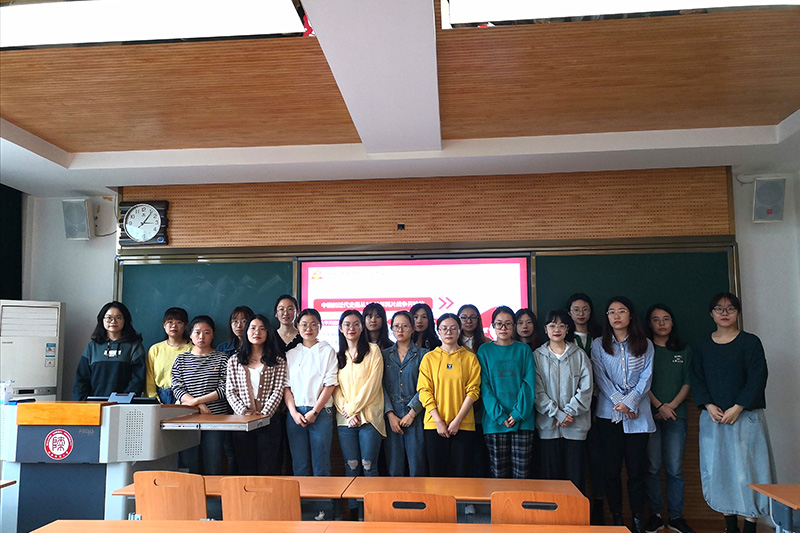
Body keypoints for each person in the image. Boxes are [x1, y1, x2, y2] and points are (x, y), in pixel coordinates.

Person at [691, 293, 775, 533]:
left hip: (745, 416)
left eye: (730, 308)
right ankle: (730, 526)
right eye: (719, 308)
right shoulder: (702, 346)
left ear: (738, 312)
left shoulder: (750, 342)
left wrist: (738, 407)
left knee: (749, 470)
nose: (724, 313)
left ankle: (750, 526)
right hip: (714, 418)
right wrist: (708, 405)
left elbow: (758, 377)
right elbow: (696, 378)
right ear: (711, 313)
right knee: (719, 471)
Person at [591, 297, 655, 533]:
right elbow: (600, 376)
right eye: (611, 312)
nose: (616, 316)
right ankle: (617, 518)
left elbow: (647, 377)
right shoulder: (598, 344)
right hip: (609, 415)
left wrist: (630, 402)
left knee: (637, 471)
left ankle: (637, 518)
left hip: (638, 414)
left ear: (631, 315)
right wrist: (619, 401)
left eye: (621, 311)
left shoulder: (645, 343)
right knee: (611, 471)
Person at [643, 304, 695, 533]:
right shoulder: (644, 349)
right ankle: (655, 515)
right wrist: (659, 405)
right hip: (649, 415)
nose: (661, 323)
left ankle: (676, 516)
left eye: (666, 318)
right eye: (656, 319)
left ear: (673, 322)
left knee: (675, 468)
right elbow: (641, 381)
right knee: (652, 467)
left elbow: (688, 381)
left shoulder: (684, 350)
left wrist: (670, 406)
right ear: (649, 323)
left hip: (676, 415)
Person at [533, 309, 593, 493]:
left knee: (575, 481)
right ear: (545, 330)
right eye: (552, 325)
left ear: (568, 329)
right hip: (548, 428)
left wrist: (568, 413)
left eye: (561, 325)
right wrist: (557, 414)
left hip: (576, 427)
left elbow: (586, 389)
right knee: (550, 482)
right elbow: (537, 391)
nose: (556, 329)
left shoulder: (579, 355)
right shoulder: (537, 356)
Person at [417, 313, 480, 477]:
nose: (448, 332)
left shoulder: (470, 358)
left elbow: (473, 391)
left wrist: (457, 421)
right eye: (444, 328)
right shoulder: (429, 358)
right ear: (438, 331)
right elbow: (424, 391)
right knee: (437, 475)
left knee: (463, 474)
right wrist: (438, 421)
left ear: (459, 330)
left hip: (463, 424)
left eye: (453, 328)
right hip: (434, 424)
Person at [477, 306, 536, 479]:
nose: (503, 328)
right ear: (492, 326)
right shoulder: (484, 350)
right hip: (494, 422)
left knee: (522, 475)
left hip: (523, 420)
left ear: (514, 326)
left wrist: (517, 414)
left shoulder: (523, 350)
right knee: (499, 476)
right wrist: (499, 415)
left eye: (508, 324)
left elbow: (529, 383)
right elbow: (484, 386)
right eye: (499, 324)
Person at [226, 314, 287, 475]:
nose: (257, 332)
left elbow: (278, 390)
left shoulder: (278, 361)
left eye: (262, 329)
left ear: (268, 333)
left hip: (269, 422)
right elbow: (230, 391)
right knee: (246, 468)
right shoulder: (234, 360)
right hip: (242, 422)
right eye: (252, 328)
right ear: (246, 331)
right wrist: (244, 412)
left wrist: (264, 414)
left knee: (268, 467)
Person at [172, 316, 231, 475]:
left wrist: (198, 401)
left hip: (215, 418)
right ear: (190, 334)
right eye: (197, 332)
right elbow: (176, 388)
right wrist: (198, 405)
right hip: (188, 418)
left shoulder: (222, 358)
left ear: (213, 335)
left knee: (214, 462)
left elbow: (225, 388)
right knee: (188, 463)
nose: (201, 336)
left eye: (207, 332)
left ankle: (214, 492)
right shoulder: (181, 359)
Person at [284, 308, 338, 477]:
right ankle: (302, 496)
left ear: (320, 326)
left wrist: (315, 411)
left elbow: (330, 384)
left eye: (314, 324)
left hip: (320, 413)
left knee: (321, 465)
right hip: (296, 414)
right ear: (297, 326)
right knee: (300, 465)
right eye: (304, 324)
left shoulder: (328, 351)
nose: (309, 329)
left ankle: (323, 497)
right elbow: (286, 387)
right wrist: (293, 413)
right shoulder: (291, 354)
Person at [567, 292, 606, 524]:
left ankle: (599, 506)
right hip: (572, 408)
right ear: (569, 313)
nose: (581, 314)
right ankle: (576, 508)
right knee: (577, 460)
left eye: (585, 309)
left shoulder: (601, 336)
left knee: (598, 459)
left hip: (600, 403)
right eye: (576, 309)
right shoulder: (563, 337)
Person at [333, 310, 386, 477]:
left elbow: (372, 385)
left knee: (369, 466)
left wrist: (352, 409)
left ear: (362, 327)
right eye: (347, 324)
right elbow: (335, 389)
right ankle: (353, 498)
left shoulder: (373, 350)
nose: (351, 328)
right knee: (352, 467)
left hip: (370, 418)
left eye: (356, 324)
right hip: (346, 420)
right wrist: (349, 413)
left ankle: (371, 497)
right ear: (340, 328)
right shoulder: (338, 356)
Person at [382, 310, 427, 476]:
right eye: (396, 326)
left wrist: (412, 413)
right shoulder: (384, 355)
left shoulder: (424, 355)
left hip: (416, 414)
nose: (400, 330)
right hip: (391, 415)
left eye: (405, 326)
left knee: (417, 466)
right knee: (394, 467)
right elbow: (379, 387)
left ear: (413, 328)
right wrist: (390, 414)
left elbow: (426, 387)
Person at [73, 301, 146, 400]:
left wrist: (124, 400)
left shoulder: (134, 346)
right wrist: (83, 403)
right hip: (95, 404)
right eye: (108, 318)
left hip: (123, 404)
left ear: (125, 320)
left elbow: (138, 379)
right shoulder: (92, 347)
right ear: (102, 320)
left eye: (118, 318)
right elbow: (81, 380)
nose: (113, 321)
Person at [145, 307, 192, 404]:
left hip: (186, 398)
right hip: (160, 396)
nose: (174, 325)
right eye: (170, 322)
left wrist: (180, 403)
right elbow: (149, 380)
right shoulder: (155, 349)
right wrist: (155, 401)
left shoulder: (193, 349)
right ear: (164, 325)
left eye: (179, 322)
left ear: (185, 325)